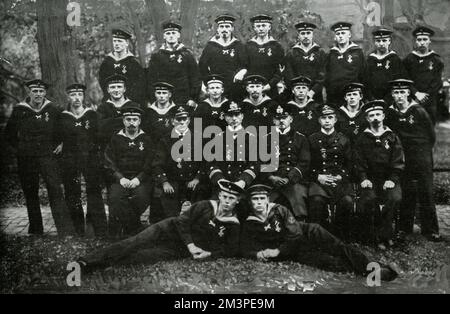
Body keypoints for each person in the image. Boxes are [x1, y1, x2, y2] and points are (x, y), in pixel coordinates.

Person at [240, 184, 398, 280]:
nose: (259, 203)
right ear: (250, 202)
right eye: (255, 199)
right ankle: (368, 274)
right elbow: (246, 245)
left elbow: (295, 235)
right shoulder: (249, 222)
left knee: (338, 247)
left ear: (267, 200)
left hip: (306, 233)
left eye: (262, 199)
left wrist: (278, 251)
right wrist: (257, 254)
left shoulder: (279, 210)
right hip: (294, 249)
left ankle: (374, 267)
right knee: (326, 262)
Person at [77, 179, 242, 270]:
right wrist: (191, 245)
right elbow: (181, 221)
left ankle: (102, 267)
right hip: (166, 230)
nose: (227, 201)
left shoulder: (233, 224)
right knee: (134, 242)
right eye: (225, 196)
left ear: (237, 201)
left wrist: (209, 255)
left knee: (143, 257)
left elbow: (230, 249)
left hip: (178, 248)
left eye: (231, 198)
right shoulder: (205, 205)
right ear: (220, 195)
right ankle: (86, 261)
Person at [4, 79, 74, 236]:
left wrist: (62, 143)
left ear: (45, 93)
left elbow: (65, 129)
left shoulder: (53, 109)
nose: (38, 94)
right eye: (35, 91)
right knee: (31, 192)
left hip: (48, 157)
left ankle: (64, 230)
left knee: (55, 190)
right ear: (29, 92)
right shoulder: (20, 110)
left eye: (41, 91)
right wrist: (20, 148)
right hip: (26, 158)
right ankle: (36, 230)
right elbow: (9, 135)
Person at [387, 79, 442, 242]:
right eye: (396, 93)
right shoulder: (391, 113)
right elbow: (390, 134)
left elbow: (431, 135)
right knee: (407, 190)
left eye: (402, 92)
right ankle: (405, 227)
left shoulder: (418, 111)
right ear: (392, 94)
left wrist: (423, 152)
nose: (399, 96)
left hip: (421, 154)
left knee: (425, 190)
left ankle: (431, 229)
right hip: (403, 156)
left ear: (408, 93)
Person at [55, 83, 107, 236]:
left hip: (89, 157)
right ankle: (76, 228)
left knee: (93, 190)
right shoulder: (63, 116)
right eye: (73, 95)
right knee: (72, 191)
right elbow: (56, 135)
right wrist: (61, 143)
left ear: (83, 97)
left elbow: (99, 136)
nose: (76, 98)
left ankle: (97, 227)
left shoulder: (91, 115)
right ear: (68, 97)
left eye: (79, 95)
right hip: (70, 158)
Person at [354, 100, 404, 249]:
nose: (375, 117)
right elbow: (358, 161)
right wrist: (363, 178)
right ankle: (375, 236)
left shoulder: (392, 137)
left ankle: (387, 234)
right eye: (371, 115)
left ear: (383, 116)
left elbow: (398, 160)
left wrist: (392, 179)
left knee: (394, 198)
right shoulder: (362, 138)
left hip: (388, 179)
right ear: (367, 119)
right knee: (369, 199)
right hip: (370, 180)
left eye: (378, 114)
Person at [151, 105, 209, 223]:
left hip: (192, 180)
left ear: (188, 120)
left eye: (184, 119)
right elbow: (157, 164)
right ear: (173, 121)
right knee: (169, 211)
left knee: (199, 204)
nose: (182, 122)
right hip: (173, 180)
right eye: (178, 119)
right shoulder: (165, 140)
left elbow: (205, 162)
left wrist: (197, 178)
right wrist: (165, 182)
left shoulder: (198, 138)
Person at [104, 102, 154, 237]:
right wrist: (120, 178)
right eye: (128, 119)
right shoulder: (116, 138)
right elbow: (109, 162)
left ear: (140, 121)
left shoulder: (146, 139)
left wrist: (139, 179)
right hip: (121, 179)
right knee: (115, 198)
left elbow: (150, 162)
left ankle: (129, 227)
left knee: (141, 197)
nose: (131, 122)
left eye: (135, 119)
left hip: (140, 179)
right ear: (123, 121)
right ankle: (133, 228)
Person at [308, 104, 353, 240]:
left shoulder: (344, 139)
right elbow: (307, 164)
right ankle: (318, 237)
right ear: (319, 120)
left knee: (347, 201)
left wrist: (341, 176)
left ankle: (340, 237)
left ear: (335, 120)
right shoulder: (312, 139)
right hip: (319, 180)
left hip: (338, 180)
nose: (327, 121)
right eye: (323, 118)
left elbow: (350, 164)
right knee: (316, 200)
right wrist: (318, 176)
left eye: (330, 117)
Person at [260, 103, 310, 221]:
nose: (281, 121)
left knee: (298, 206)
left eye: (284, 118)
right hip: (272, 181)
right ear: (273, 120)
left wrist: (289, 178)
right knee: (263, 209)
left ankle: (299, 231)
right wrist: (271, 177)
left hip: (293, 181)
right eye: (278, 118)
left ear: (291, 119)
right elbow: (261, 161)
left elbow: (304, 163)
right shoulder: (265, 138)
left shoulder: (301, 138)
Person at [147, 21, 201, 106]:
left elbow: (195, 78)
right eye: (168, 33)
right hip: (163, 100)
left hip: (184, 99)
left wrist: (193, 98)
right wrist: (153, 100)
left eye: (173, 33)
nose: (171, 36)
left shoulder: (187, 54)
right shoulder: (156, 56)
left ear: (178, 35)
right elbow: (151, 80)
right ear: (164, 36)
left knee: (196, 118)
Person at [199, 13, 248, 101]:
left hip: (235, 86)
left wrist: (242, 72)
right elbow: (202, 66)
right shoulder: (211, 46)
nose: (224, 29)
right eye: (221, 27)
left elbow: (246, 65)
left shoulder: (238, 45)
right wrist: (208, 82)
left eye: (227, 26)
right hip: (216, 87)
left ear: (232, 28)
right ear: (217, 29)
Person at [403, 26, 444, 124]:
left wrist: (426, 96)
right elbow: (405, 78)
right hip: (412, 99)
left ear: (430, 41)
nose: (422, 42)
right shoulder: (409, 59)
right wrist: (416, 93)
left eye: (425, 39)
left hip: (430, 100)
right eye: (419, 40)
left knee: (429, 127)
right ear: (415, 42)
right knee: (412, 126)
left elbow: (437, 82)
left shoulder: (436, 60)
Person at [98, 27, 146, 106]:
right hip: (111, 102)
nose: (116, 44)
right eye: (114, 41)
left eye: (120, 41)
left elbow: (139, 86)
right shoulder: (106, 63)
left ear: (126, 43)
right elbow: (103, 83)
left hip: (130, 102)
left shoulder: (133, 63)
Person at [325, 22, 367, 105]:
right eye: (338, 34)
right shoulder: (331, 54)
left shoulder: (357, 52)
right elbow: (327, 76)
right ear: (335, 37)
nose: (340, 36)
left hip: (352, 95)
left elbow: (363, 74)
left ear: (349, 35)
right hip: (334, 96)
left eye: (343, 33)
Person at [245, 14, 285, 101]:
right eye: (258, 26)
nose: (261, 28)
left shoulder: (276, 46)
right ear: (254, 28)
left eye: (264, 25)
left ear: (269, 27)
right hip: (253, 89)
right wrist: (251, 87)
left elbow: (280, 70)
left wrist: (270, 85)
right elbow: (245, 67)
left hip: (271, 87)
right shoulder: (248, 46)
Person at [284, 21, 326, 103]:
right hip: (296, 94)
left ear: (312, 34)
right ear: (298, 35)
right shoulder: (291, 53)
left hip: (315, 94)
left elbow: (323, 75)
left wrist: (312, 92)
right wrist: (297, 92)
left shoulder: (320, 52)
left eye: (308, 33)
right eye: (303, 33)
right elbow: (289, 75)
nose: (306, 36)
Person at [366, 26, 405, 103]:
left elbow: (398, 81)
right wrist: (372, 99)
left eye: (384, 40)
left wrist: (387, 99)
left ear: (389, 41)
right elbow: (366, 81)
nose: (381, 43)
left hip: (391, 100)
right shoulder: (370, 60)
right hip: (373, 100)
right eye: (378, 41)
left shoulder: (394, 59)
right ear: (374, 42)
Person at [97, 74, 134, 153]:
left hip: (130, 148)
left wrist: (111, 121)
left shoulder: (133, 106)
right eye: (113, 87)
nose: (116, 90)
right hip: (109, 148)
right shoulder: (102, 108)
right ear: (108, 90)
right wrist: (123, 121)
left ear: (124, 89)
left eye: (119, 87)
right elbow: (101, 129)